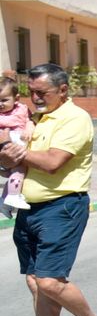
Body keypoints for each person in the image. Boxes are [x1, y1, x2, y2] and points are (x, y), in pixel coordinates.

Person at [0, 64, 97, 316]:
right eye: (32, 92)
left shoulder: (74, 118)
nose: (35, 97)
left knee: (50, 280)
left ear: (63, 90)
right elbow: (14, 161)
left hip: (62, 206)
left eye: (42, 92)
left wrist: (15, 153)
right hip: (29, 207)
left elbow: (52, 162)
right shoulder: (33, 118)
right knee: (35, 281)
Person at [1, 76, 35, 216]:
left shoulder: (22, 109)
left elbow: (30, 120)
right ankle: (13, 196)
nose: (0, 104)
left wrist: (29, 128)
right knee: (19, 170)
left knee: (16, 174)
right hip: (6, 146)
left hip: (19, 141)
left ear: (16, 98)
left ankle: (4, 201)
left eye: (4, 100)